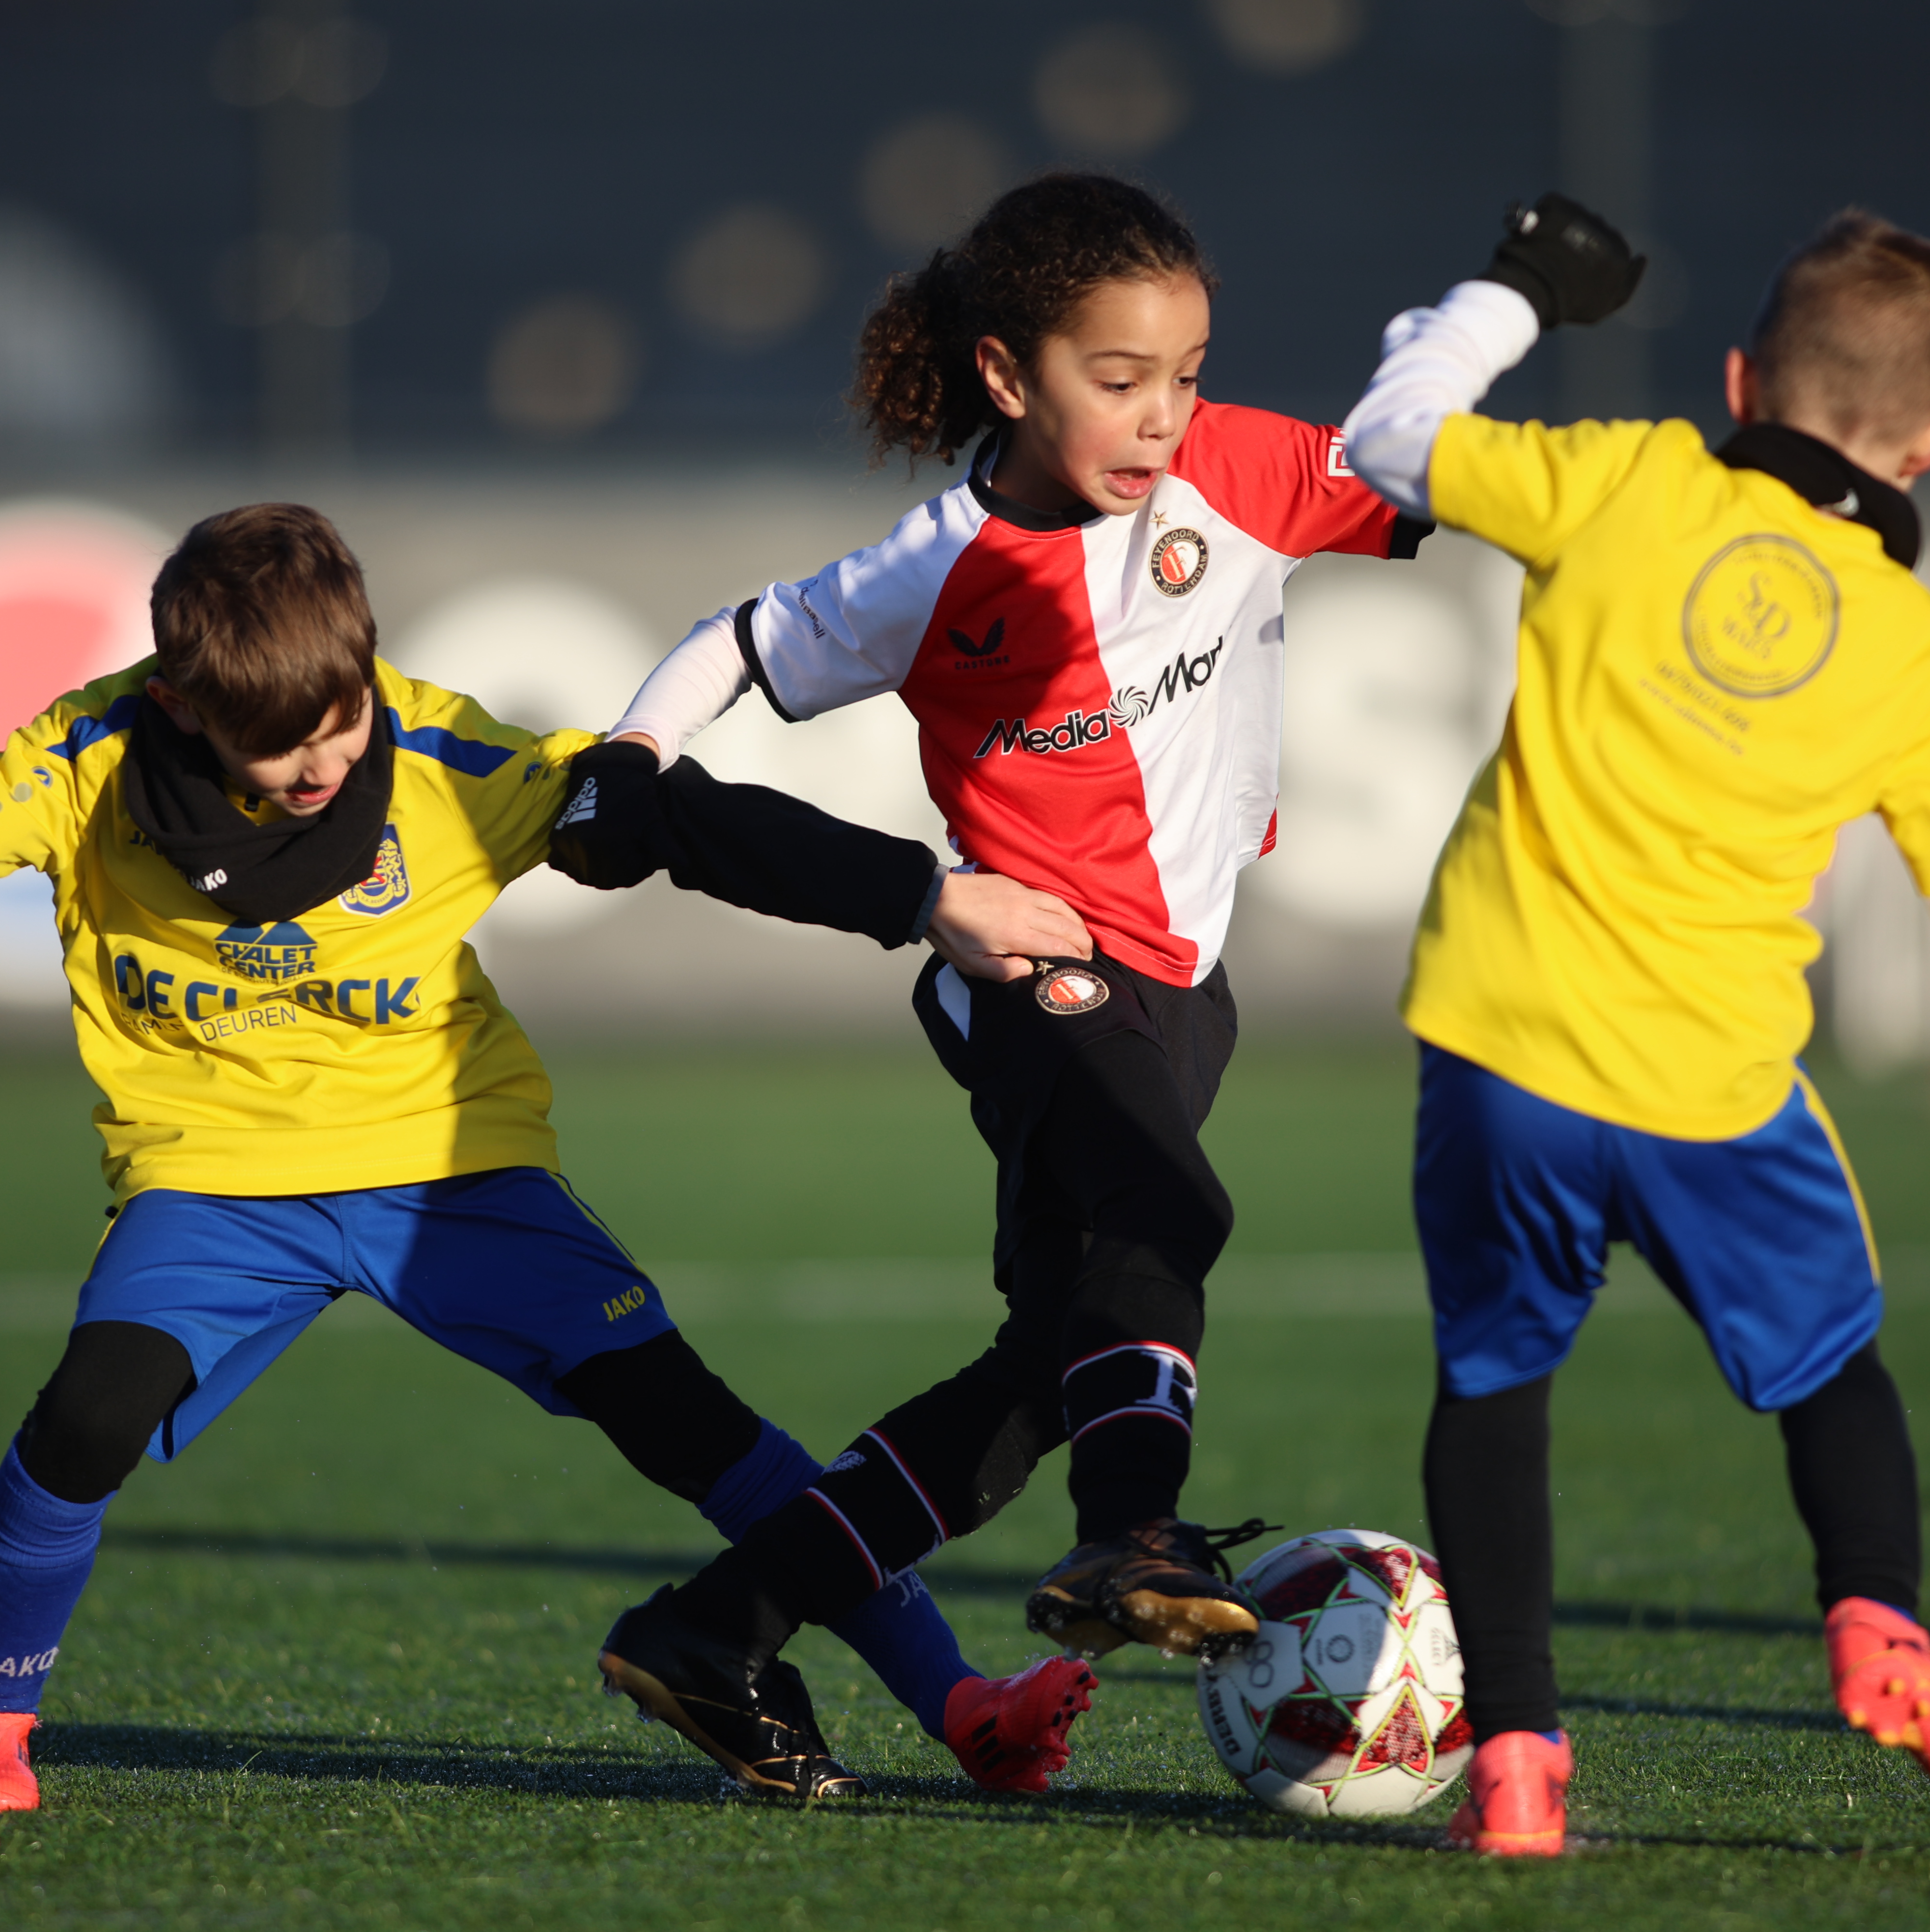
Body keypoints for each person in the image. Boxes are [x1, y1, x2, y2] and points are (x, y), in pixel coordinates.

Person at [0, 502, 1106, 1808]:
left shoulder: (445, 751)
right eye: (281, 742)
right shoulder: (90, 754)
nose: (324, 760)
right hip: (213, 1177)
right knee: (84, 1422)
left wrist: (922, 897)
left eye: (340, 725)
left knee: (692, 1427)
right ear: (188, 704)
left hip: (450, 1166)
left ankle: (960, 1703)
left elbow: (673, 824)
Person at [1339, 197, 1930, 1855]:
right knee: (1834, 1373)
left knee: (1492, 1390)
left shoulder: (1625, 479)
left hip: (1501, 1044)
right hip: (1710, 1084)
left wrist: (1520, 287)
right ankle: (1877, 1629)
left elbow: (1392, 436)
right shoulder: (1916, 649)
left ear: (1742, 375)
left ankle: (1520, 1771)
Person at [547, 172, 1428, 1776]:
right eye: (1119, 378)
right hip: (1034, 969)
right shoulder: (939, 565)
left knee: (1045, 1373)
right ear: (1011, 376)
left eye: (1186, 372)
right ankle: (1136, 1535)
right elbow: (743, 642)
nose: (1164, 415)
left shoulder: (1238, 466)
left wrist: (1500, 362)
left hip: (1182, 980)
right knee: (1167, 1219)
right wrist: (630, 752)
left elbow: (1440, 485)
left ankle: (716, 1630)